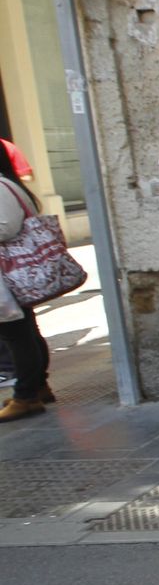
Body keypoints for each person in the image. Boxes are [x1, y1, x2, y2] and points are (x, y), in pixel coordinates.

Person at [0, 151, 53, 421]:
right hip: (15, 274)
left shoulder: (1, 187)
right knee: (26, 330)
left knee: (16, 334)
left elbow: (5, 227)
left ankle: (26, 396)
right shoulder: (8, 184)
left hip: (10, 274)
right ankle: (37, 386)